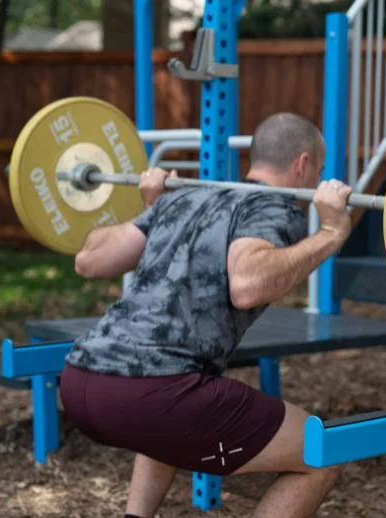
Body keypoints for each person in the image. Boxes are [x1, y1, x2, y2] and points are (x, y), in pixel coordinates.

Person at [58, 112, 354, 518]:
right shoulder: (274, 206)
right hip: (154, 395)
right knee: (324, 451)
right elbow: (248, 285)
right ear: (303, 164)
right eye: (318, 169)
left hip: (80, 383)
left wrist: (152, 209)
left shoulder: (185, 197)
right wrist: (331, 233)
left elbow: (89, 258)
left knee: (168, 417)